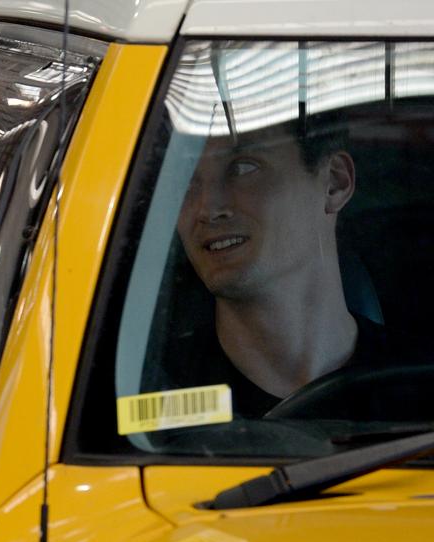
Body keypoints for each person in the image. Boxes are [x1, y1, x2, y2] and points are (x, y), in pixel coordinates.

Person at [163, 117, 423, 416]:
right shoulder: (155, 401)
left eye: (243, 167)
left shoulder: (420, 387)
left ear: (334, 183)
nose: (207, 208)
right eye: (186, 180)